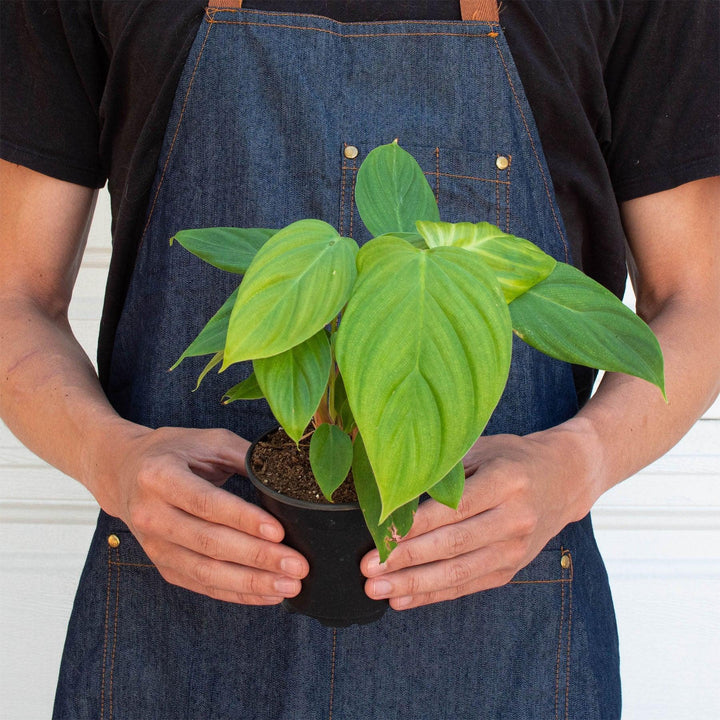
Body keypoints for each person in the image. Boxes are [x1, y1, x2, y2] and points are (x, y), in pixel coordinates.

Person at [1, 1, 718, 718]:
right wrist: (109, 460)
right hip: (176, 636)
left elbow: (698, 298)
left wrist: (579, 464)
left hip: (506, 644)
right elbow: (15, 295)